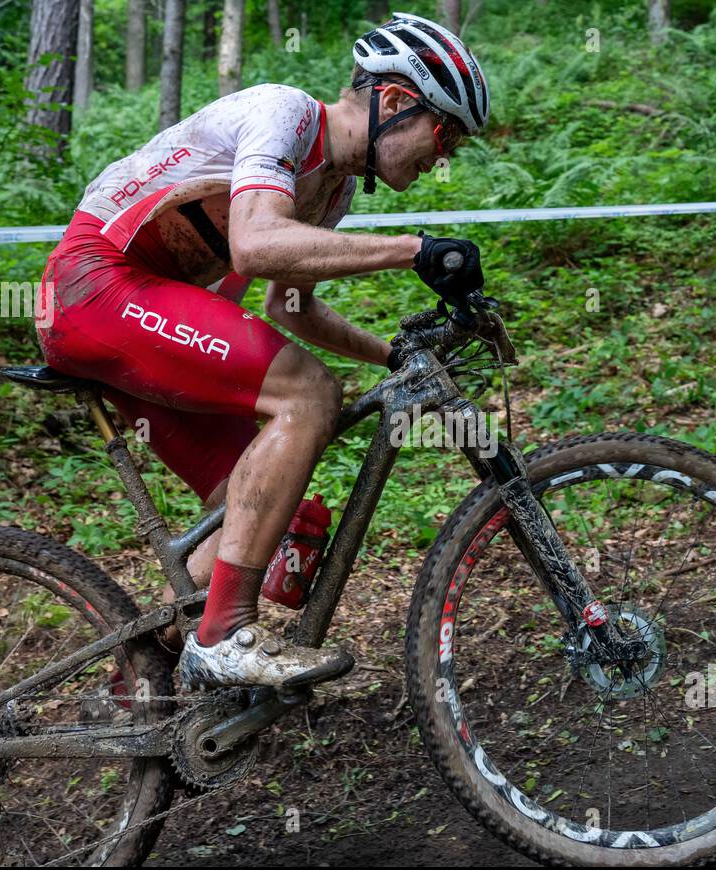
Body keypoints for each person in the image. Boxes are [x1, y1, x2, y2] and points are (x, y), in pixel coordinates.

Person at [34, 12, 490, 690]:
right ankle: (223, 637)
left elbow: (291, 304)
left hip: (139, 311)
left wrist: (391, 353)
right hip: (93, 286)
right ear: (395, 102)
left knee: (270, 514)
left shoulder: (330, 189)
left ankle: (144, 697)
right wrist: (412, 251)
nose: (443, 155)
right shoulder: (285, 115)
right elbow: (254, 242)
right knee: (306, 393)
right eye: (445, 131)